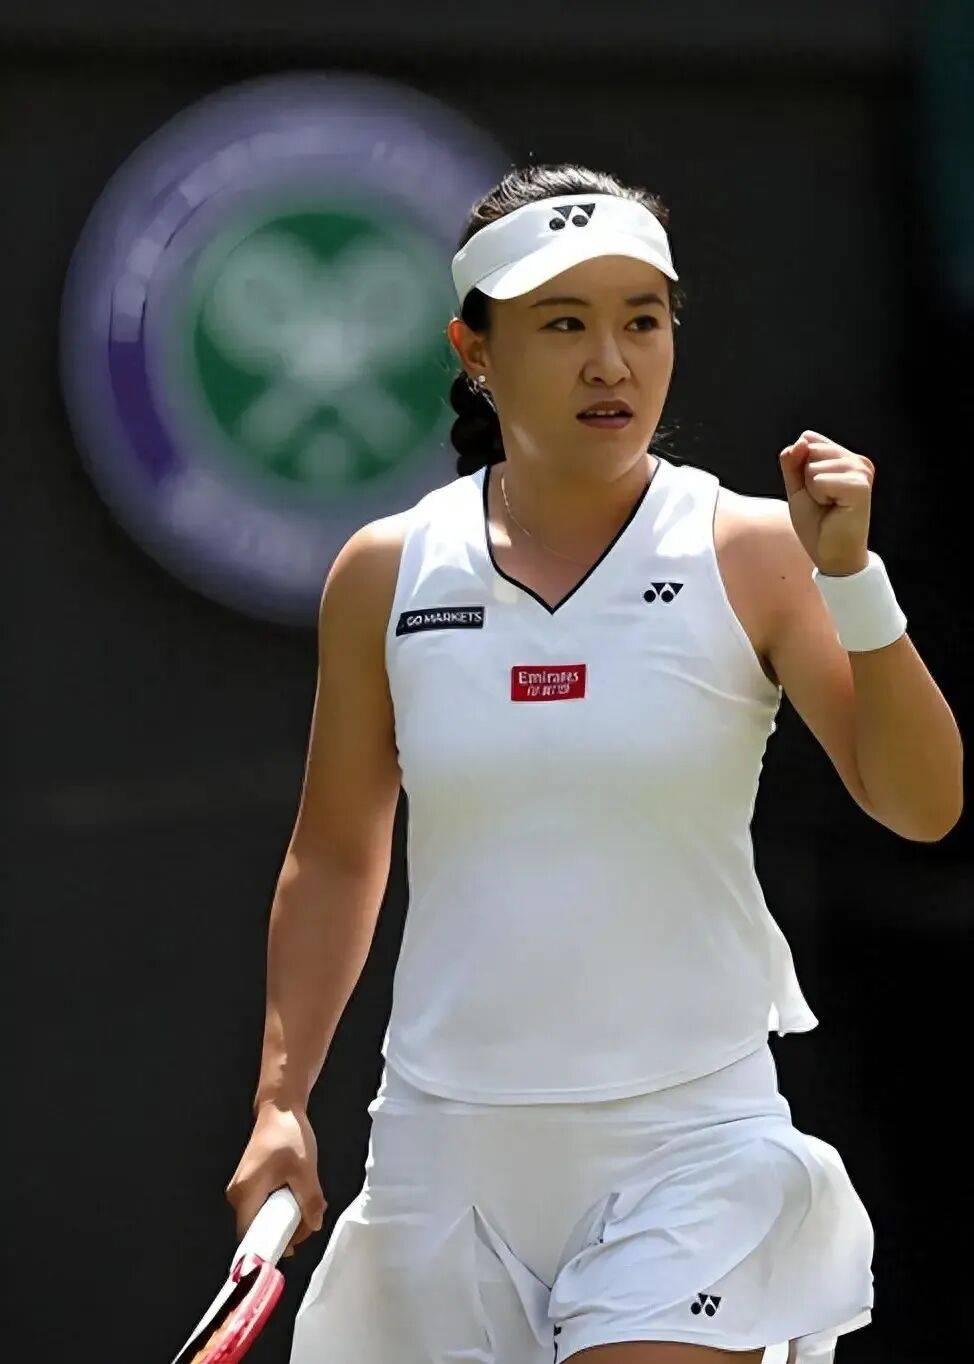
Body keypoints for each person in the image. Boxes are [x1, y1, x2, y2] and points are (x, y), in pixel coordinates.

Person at [225, 162, 919, 1364]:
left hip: (693, 1155)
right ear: (473, 351)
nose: (611, 362)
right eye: (562, 325)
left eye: (640, 321)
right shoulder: (385, 571)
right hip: (444, 1162)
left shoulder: (760, 549)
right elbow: (335, 853)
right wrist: (279, 1100)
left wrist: (851, 579)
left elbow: (918, 802)